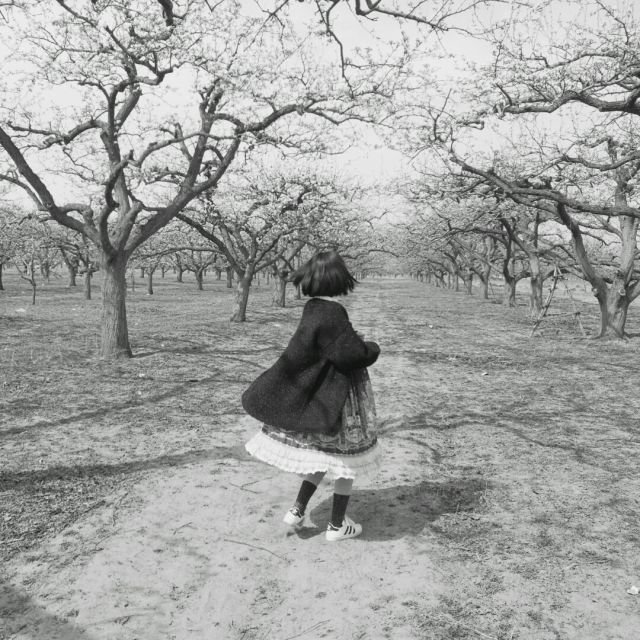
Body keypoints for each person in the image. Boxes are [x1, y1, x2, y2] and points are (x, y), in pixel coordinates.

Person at [242, 250, 381, 542]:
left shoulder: (313, 308)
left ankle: (297, 510)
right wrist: (371, 348)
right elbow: (349, 354)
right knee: (344, 461)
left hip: (322, 398)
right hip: (337, 401)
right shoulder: (333, 312)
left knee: (320, 456)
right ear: (339, 279)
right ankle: (337, 525)